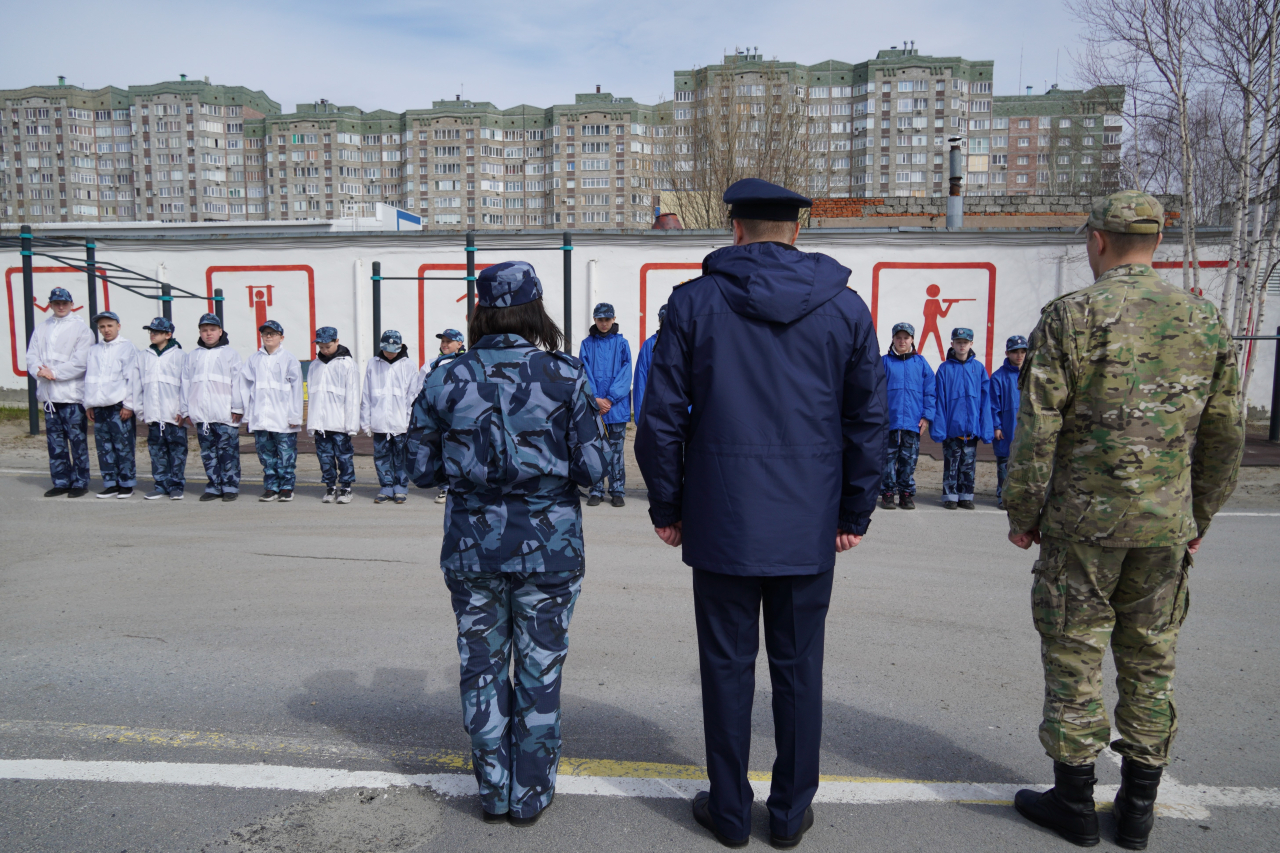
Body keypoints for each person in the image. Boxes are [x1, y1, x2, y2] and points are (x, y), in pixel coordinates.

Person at [635, 178, 887, 850]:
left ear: (736, 230)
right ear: (797, 232)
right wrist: (855, 510)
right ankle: (788, 812)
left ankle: (727, 811)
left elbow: (658, 419)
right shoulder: (847, 309)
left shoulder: (692, 303)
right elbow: (868, 420)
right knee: (800, 668)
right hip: (808, 524)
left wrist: (669, 504)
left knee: (725, 665)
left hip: (721, 520)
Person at [1006, 191, 1245, 850]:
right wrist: (1199, 513)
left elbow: (1037, 430)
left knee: (1075, 654)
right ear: (1157, 241)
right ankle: (1138, 809)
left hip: (1083, 528)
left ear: (1100, 241)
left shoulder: (1071, 318)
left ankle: (1075, 803)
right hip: (1165, 527)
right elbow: (1227, 433)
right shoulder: (1203, 319)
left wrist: (1023, 511)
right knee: (1150, 660)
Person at [407, 261, 607, 826]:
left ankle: (493, 792)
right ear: (535, 309)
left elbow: (419, 470)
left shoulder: (445, 376)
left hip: (473, 547)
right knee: (541, 670)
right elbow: (594, 466)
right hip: (550, 550)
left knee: (481, 668)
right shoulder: (565, 374)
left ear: (481, 310)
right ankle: (531, 795)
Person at [26, 287, 94, 497]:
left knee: (77, 442)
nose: (61, 306)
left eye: (64, 303)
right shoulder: (42, 328)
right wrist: (40, 371)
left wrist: (53, 372)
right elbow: (32, 356)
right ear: (51, 305)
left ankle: (80, 482)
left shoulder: (82, 329)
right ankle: (61, 481)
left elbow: (80, 363)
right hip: (49, 396)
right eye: (57, 303)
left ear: (71, 304)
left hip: (71, 396)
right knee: (55, 443)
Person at [181, 313, 243, 502]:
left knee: (228, 452)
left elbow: (238, 382)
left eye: (212, 330)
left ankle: (230, 486)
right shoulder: (193, 356)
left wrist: (237, 407)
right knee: (208, 452)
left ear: (220, 331)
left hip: (224, 413)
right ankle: (214, 486)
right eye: (204, 330)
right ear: (200, 332)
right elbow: (185, 383)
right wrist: (186, 410)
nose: (208, 334)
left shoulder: (230, 354)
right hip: (202, 414)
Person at [239, 320, 303, 502]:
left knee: (285, 455)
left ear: (281, 337)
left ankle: (286, 487)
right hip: (261, 417)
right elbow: (245, 387)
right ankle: (271, 487)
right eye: (265, 333)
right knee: (266, 456)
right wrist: (247, 414)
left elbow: (297, 389)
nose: (268, 337)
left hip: (283, 417)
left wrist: (295, 415)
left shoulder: (289, 359)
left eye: (272, 334)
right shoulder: (254, 359)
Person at [930, 328, 993, 510]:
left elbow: (985, 400)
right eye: (958, 342)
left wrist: (985, 427)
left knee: (968, 464)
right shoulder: (944, 369)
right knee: (951, 463)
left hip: (971, 428)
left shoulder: (979, 369)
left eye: (965, 342)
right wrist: (940, 428)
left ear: (971, 344)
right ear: (952, 344)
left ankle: (966, 495)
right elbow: (940, 400)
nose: (962, 345)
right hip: (952, 427)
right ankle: (950, 496)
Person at [578, 302, 632, 507]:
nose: (604, 323)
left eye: (607, 319)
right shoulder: (586, 344)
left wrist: (609, 398)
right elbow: (584, 373)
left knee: (617, 451)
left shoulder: (622, 344)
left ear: (613, 319)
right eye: (600, 319)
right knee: (595, 450)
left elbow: (626, 373)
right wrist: (596, 399)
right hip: (595, 408)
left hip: (615, 408)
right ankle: (596, 490)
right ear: (595, 320)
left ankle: (617, 490)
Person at [83, 311, 141, 499]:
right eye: (102, 327)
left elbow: (132, 378)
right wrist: (89, 404)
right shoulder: (95, 350)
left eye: (109, 325)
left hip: (118, 406)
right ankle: (110, 482)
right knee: (104, 446)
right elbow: (90, 378)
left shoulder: (127, 348)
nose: (106, 330)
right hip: (99, 406)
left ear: (118, 326)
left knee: (123, 445)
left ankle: (126, 483)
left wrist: (129, 405)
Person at [879, 321, 934, 511]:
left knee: (909, 459)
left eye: (906, 338)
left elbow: (930, 391)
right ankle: (887, 493)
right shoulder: (884, 362)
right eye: (898, 338)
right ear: (893, 339)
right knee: (887, 458)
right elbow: (875, 391)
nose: (902, 341)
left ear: (912, 340)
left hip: (912, 420)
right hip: (889, 420)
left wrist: (926, 416)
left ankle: (906, 494)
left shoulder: (920, 363)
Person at [361, 329, 418, 504]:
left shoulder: (408, 365)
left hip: (401, 423)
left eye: (393, 350)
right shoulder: (373, 364)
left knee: (401, 456)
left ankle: (400, 487)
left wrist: (410, 422)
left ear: (400, 347)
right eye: (386, 349)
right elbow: (367, 394)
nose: (390, 353)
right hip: (379, 422)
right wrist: (365, 421)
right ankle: (386, 486)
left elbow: (413, 396)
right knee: (381, 456)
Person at [306, 326, 360, 504]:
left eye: (327, 346)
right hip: (320, 424)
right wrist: (311, 423)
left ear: (337, 341)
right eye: (321, 347)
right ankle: (330, 487)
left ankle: (346, 488)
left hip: (340, 423)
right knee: (325, 458)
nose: (324, 350)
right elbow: (313, 396)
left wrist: (351, 425)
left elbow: (352, 396)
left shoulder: (347, 364)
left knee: (344, 457)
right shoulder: (315, 365)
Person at [137, 316, 188, 500]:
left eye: (157, 332)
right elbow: (138, 385)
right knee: (157, 452)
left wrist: (183, 410)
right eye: (151, 331)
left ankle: (176, 485)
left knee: (177, 451)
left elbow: (186, 385)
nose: (153, 334)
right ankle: (160, 485)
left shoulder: (180, 356)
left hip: (173, 415)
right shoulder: (143, 356)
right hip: (153, 414)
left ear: (168, 334)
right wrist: (141, 410)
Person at [419, 328, 466, 505]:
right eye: (443, 341)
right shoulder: (432, 364)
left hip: (460, 415)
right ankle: (445, 487)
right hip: (439, 416)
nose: (444, 345)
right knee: (441, 451)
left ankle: (459, 486)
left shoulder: (467, 362)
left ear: (459, 344)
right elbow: (420, 390)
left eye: (449, 341)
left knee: (460, 450)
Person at [990, 335, 1027, 510]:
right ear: (1007, 353)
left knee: (1024, 464)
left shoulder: (1032, 376)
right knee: (1004, 464)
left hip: (1027, 429)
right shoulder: (998, 377)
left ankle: (1021, 497)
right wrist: (996, 426)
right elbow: (993, 405)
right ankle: (1002, 495)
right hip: (1006, 427)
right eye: (1015, 352)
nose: (1019, 356)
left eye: (1022, 352)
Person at [633, 304, 666, 422]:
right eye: (664, 320)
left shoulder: (684, 344)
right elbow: (641, 380)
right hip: (655, 412)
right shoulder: (649, 345)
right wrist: (640, 416)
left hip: (679, 415)